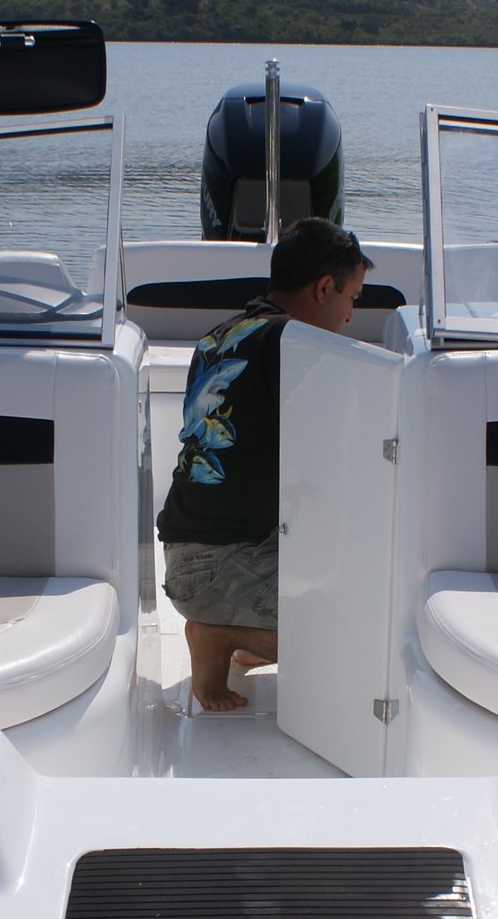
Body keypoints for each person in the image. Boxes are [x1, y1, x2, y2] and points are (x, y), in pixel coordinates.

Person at [157, 218, 371, 711]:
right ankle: (219, 630)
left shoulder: (222, 335)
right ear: (324, 287)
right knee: (364, 623)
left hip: (187, 553)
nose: (349, 316)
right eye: (351, 298)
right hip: (214, 568)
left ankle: (243, 627)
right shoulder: (297, 347)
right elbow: (340, 460)